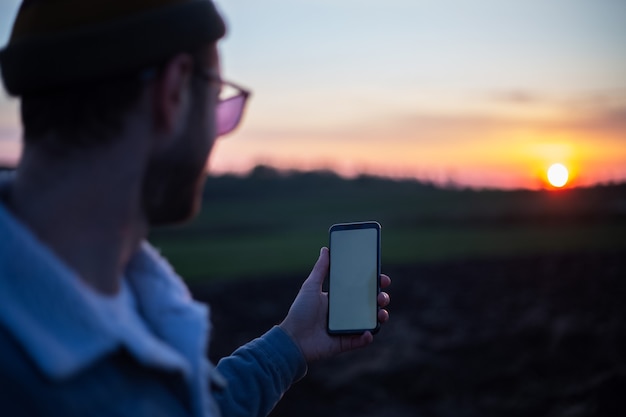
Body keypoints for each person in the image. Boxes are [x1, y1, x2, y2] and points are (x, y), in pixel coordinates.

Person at [0, 1, 391, 416]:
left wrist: (290, 343)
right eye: (220, 101)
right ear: (173, 91)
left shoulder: (127, 292)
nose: (218, 133)